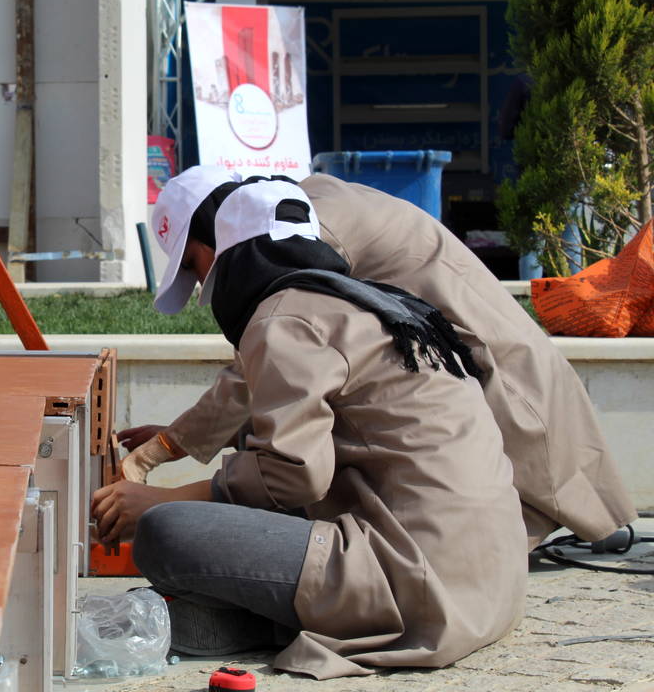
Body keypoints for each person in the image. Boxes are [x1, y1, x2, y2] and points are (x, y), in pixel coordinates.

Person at [92, 179, 528, 678]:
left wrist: (160, 500)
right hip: (493, 583)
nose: (202, 287)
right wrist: (169, 445)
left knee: (164, 532)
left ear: (232, 258)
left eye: (196, 266)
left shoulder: (283, 318)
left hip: (418, 587)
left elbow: (294, 474)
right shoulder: (368, 303)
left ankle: (270, 620)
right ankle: (263, 618)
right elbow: (262, 403)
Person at [122, 169, 635, 549]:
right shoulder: (302, 209)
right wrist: (180, 440)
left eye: (194, 263)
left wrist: (162, 453)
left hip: (501, 374)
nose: (204, 283)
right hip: (465, 369)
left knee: (497, 518)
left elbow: (262, 364)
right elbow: (271, 374)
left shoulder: (300, 229)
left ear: (219, 227)